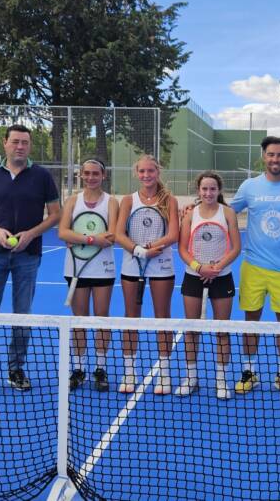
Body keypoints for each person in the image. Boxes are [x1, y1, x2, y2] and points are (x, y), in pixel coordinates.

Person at [0, 124, 61, 403]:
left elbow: (56, 214)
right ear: (5, 143)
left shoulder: (42, 176)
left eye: (25, 143)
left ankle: (15, 369)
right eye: (15, 142)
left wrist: (31, 234)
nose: (20, 146)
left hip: (28, 257)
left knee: (22, 316)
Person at [229, 136, 280, 398]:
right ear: (263, 156)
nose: (275, 159)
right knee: (251, 321)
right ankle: (249, 371)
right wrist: (195, 210)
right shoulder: (249, 186)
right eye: (271, 155)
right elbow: (227, 212)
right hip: (253, 266)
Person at [114, 155, 179, 394]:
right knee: (131, 317)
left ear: (157, 172)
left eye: (150, 171)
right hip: (132, 264)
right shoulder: (128, 201)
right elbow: (119, 234)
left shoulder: (169, 200)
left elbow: (173, 234)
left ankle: (164, 374)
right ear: (136, 173)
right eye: (142, 171)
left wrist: (152, 248)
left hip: (161, 265)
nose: (146, 175)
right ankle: (129, 372)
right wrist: (138, 250)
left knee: (163, 318)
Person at [177, 171, 241, 399]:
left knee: (222, 331)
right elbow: (183, 249)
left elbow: (235, 248)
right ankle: (191, 377)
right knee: (191, 330)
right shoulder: (189, 215)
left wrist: (216, 267)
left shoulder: (228, 213)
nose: (208, 193)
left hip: (222, 277)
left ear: (219, 190)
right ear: (198, 190)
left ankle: (222, 380)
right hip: (193, 276)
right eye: (204, 189)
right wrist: (199, 267)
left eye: (212, 189)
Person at [58, 159, 119, 391]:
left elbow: (112, 235)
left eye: (95, 173)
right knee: (80, 320)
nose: (91, 177)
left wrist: (77, 237)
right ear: (81, 176)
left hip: (103, 269)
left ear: (103, 176)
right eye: (87, 173)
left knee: (101, 318)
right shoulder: (73, 201)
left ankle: (100, 368)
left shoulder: (112, 202)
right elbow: (63, 232)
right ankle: (79, 369)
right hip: (75, 269)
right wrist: (91, 239)